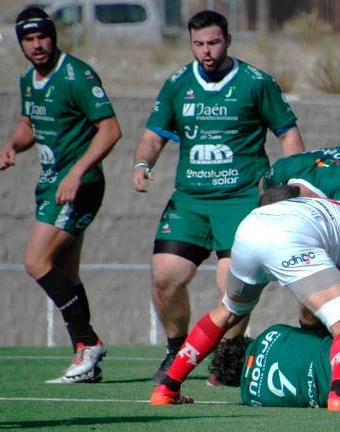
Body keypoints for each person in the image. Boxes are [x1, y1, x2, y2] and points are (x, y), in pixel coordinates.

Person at [131, 10, 305, 384]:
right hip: (191, 200)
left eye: (213, 43)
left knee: (231, 287)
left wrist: (291, 183)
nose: (206, 51)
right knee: (165, 276)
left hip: (241, 198)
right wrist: (143, 163)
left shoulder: (256, 82)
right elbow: (153, 134)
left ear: (227, 40)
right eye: (198, 44)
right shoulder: (178, 83)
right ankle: (177, 348)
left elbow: (288, 134)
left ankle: (226, 358)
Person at [150, 188, 340, 410]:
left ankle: (167, 388)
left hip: (249, 227)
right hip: (290, 234)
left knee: (227, 312)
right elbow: (333, 306)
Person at [0, 7, 122, 383]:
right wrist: (13, 146)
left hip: (78, 187)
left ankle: (89, 341)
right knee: (65, 271)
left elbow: (110, 129)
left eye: (43, 37)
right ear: (21, 43)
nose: (37, 45)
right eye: (29, 39)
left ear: (54, 36)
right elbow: (28, 123)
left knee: (36, 261)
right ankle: (84, 360)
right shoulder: (28, 80)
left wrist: (77, 172)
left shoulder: (76, 75)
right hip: (51, 185)